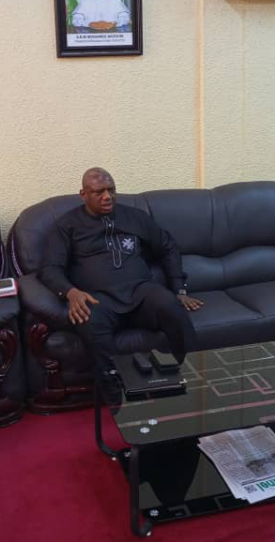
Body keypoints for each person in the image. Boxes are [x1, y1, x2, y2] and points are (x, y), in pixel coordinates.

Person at [39, 167, 204, 401]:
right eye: (98, 192)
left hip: (141, 292)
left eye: (111, 190)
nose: (107, 196)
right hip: (98, 298)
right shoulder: (66, 226)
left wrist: (179, 289)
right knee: (88, 319)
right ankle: (118, 399)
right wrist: (70, 292)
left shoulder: (135, 217)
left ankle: (195, 383)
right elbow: (50, 268)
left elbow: (167, 247)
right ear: (83, 194)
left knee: (171, 306)